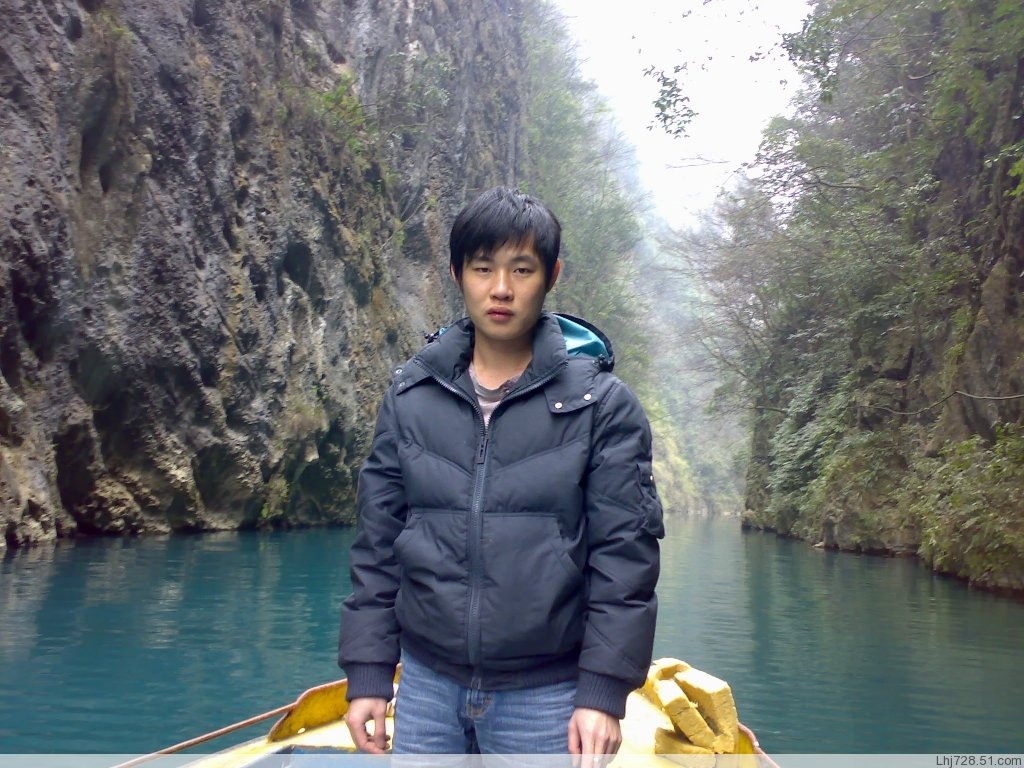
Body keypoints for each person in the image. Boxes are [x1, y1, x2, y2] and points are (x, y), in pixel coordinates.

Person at [337, 186, 664, 758]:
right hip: (426, 686)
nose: (501, 289)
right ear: (457, 273)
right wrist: (369, 670)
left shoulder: (602, 406)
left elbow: (624, 559)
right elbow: (378, 543)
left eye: (522, 269)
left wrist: (603, 691)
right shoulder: (412, 395)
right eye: (483, 268)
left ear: (552, 275)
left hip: (546, 695)